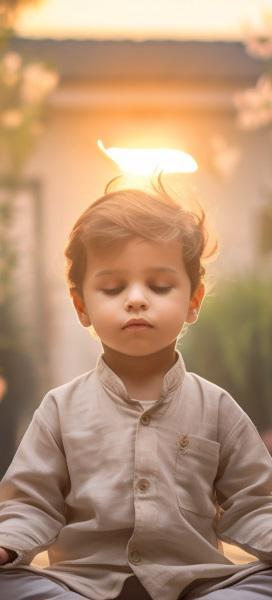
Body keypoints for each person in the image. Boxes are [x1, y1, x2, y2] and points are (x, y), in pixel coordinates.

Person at [0, 176, 272, 600]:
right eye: (113, 288)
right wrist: (7, 544)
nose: (136, 300)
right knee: (11, 583)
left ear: (194, 300)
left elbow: (256, 503)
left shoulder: (216, 407)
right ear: (81, 306)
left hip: (198, 586)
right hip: (82, 587)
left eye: (160, 286)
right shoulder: (59, 408)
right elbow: (30, 502)